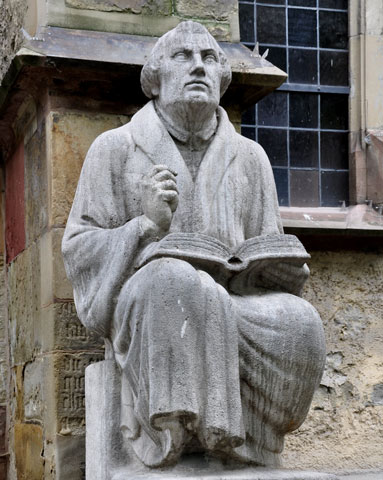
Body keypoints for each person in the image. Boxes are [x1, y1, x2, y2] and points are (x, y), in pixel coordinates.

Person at [62, 21, 326, 468]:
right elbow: (79, 247)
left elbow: (265, 242)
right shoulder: (116, 148)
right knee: (175, 282)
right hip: (155, 303)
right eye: (183, 57)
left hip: (236, 303)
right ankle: (177, 437)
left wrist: (281, 268)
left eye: (208, 59)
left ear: (223, 79)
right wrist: (144, 226)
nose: (198, 67)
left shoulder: (250, 158)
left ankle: (249, 441)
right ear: (156, 77)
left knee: (300, 321)